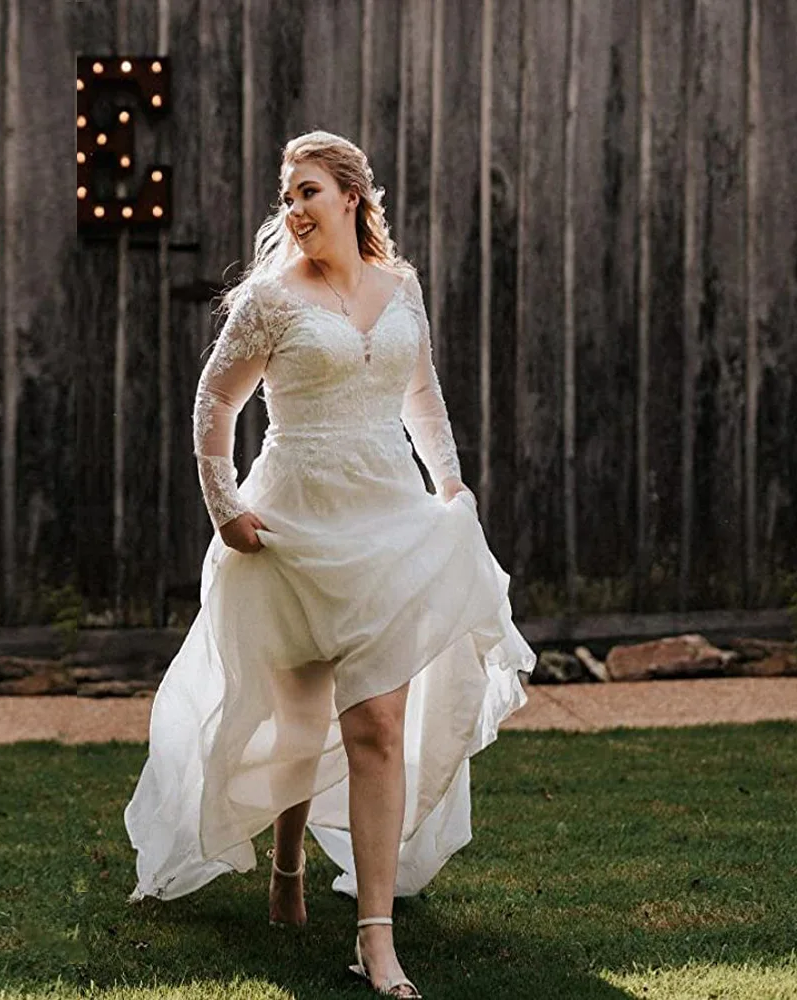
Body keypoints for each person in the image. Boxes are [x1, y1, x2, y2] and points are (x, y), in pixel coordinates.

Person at [125, 130, 536, 999]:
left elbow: (422, 397)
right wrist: (225, 505)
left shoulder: (404, 290)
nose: (294, 207)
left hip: (388, 520)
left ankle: (375, 941)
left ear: (352, 195)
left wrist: (452, 484)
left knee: (376, 727)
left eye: (307, 190)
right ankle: (285, 867)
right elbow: (214, 401)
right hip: (294, 524)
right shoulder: (270, 301)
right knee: (299, 718)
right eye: (287, 195)